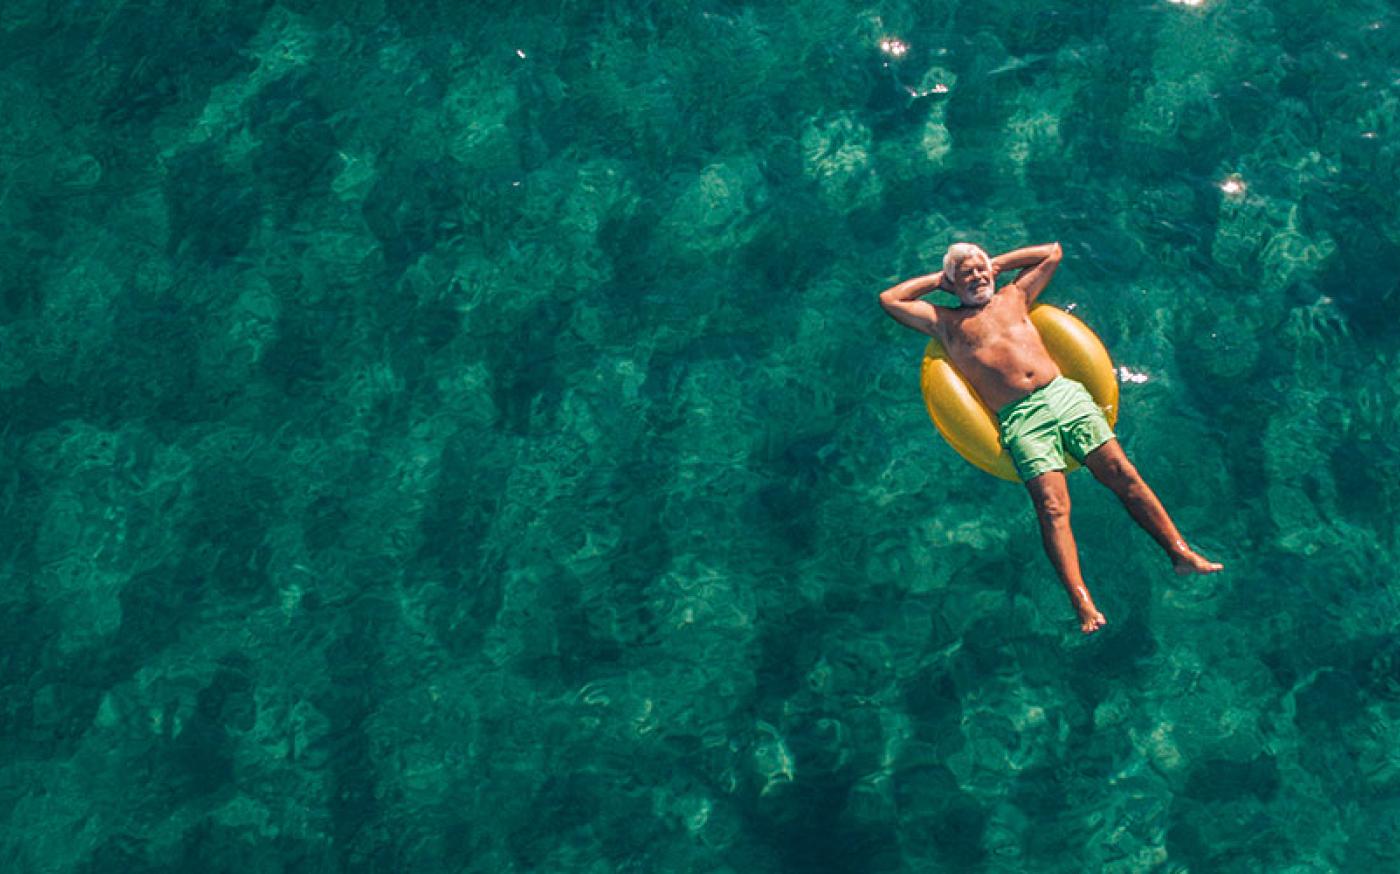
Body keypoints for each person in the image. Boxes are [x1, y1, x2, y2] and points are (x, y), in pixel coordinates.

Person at [879, 242, 1222, 634]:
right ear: (951, 285)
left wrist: (995, 264)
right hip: (1021, 418)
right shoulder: (945, 322)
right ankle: (1082, 601)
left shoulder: (1014, 295)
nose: (976, 277)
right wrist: (940, 280)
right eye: (966, 274)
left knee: (1122, 475)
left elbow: (1053, 253)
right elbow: (890, 298)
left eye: (980, 270)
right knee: (1053, 508)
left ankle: (1180, 553)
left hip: (1063, 394)